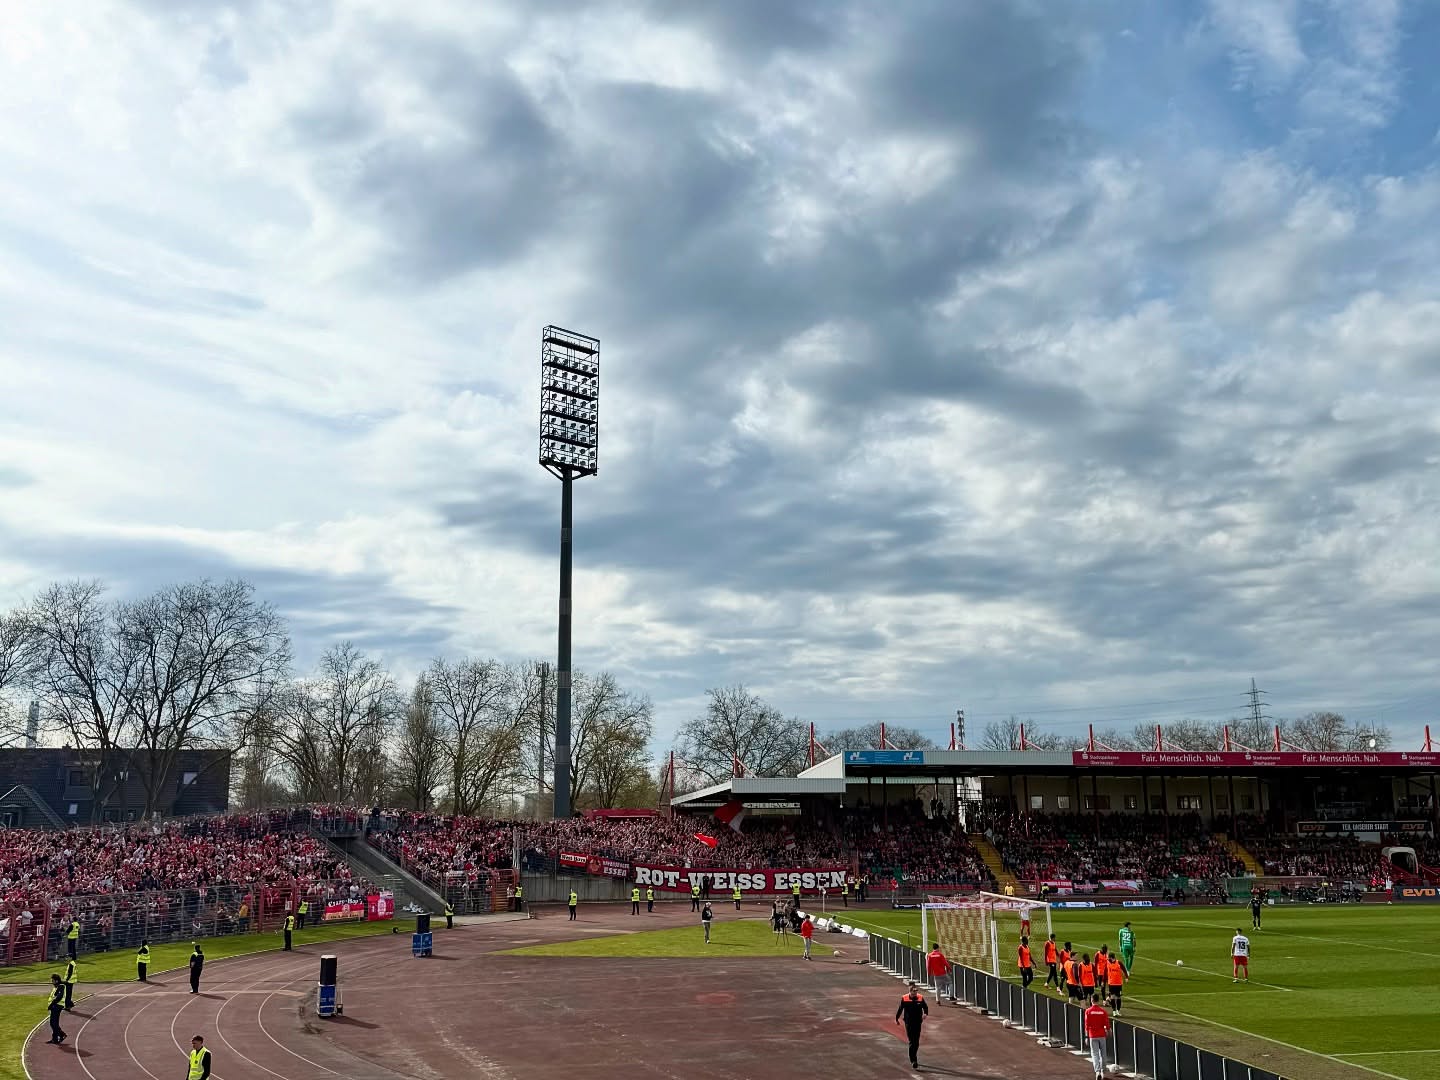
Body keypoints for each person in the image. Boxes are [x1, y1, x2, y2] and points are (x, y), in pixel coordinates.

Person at [895, 981, 928, 1069]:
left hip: (918, 1022)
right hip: (908, 1022)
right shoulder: (904, 998)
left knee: (916, 1042)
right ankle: (913, 1060)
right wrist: (897, 1018)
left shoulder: (920, 998)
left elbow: (925, 1007)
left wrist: (925, 1014)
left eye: (916, 991)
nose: (915, 993)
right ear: (910, 991)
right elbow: (900, 1009)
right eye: (914, 991)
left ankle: (914, 1056)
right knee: (912, 1041)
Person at [1083, 993, 1111, 1080]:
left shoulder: (1088, 1011)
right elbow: (1107, 1024)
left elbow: (1087, 1025)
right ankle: (1103, 1072)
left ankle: (1097, 1071)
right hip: (1101, 1035)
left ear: (1091, 1000)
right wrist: (1109, 1031)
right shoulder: (1103, 1011)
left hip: (1092, 1035)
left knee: (1095, 1055)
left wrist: (1086, 1037)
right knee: (1103, 1054)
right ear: (1098, 1000)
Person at [46, 974, 66, 1045]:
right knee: (54, 1023)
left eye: (53, 980)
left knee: (53, 1023)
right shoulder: (56, 987)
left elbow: (59, 997)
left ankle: (61, 1034)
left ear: (56, 980)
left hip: (57, 1006)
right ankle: (55, 1038)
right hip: (55, 1006)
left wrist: (51, 1005)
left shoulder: (61, 986)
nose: (52, 982)